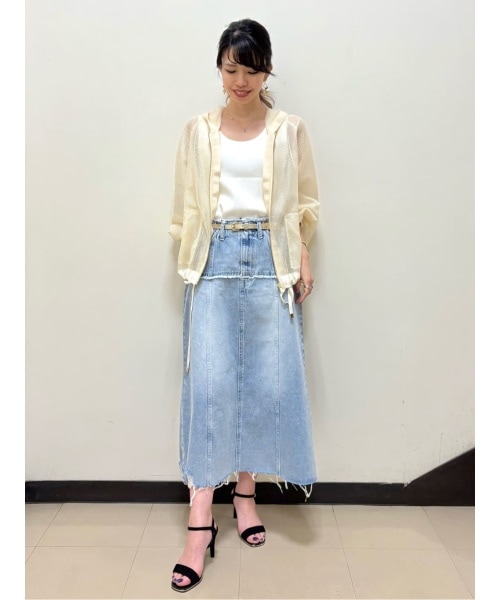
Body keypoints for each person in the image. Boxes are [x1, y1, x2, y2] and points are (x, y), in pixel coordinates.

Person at [169, 18, 319, 593]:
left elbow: (302, 202)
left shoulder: (289, 130)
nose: (240, 80)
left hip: (270, 263)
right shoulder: (197, 131)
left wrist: (301, 254)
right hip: (213, 260)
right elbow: (184, 208)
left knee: (262, 385)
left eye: (251, 70)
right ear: (219, 67)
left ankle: (246, 497)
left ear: (267, 70)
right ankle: (199, 522)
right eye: (231, 68)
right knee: (210, 388)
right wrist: (193, 260)